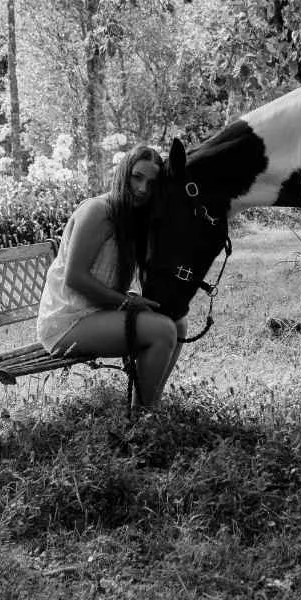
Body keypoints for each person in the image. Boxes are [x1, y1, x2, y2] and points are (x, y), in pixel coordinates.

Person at [36, 144, 186, 410]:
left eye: (151, 183)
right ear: (123, 173)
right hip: (67, 320)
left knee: (178, 321)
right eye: (137, 177)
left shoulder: (134, 217)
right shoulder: (98, 211)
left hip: (98, 311)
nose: (142, 189)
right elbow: (75, 278)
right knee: (162, 331)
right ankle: (142, 418)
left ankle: (152, 402)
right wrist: (126, 302)